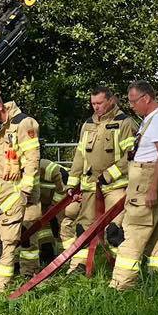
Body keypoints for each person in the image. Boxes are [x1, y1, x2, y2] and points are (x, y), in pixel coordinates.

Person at [109, 82, 158, 291]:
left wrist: (153, 188)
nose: (131, 106)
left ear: (146, 98)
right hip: (145, 180)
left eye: (133, 101)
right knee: (157, 233)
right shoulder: (152, 119)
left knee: (133, 232)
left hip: (147, 182)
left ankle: (121, 286)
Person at [62, 87, 137, 271]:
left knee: (114, 230)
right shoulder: (88, 124)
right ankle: (79, 267)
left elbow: (131, 157)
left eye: (99, 103)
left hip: (115, 187)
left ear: (111, 100)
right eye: (93, 103)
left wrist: (108, 175)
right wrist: (72, 183)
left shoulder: (125, 123)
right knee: (82, 229)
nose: (95, 107)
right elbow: (80, 155)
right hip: (89, 188)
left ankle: (124, 270)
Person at [0, 91, 41, 276]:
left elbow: (32, 159)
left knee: (27, 232)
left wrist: (27, 189)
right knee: (4, 229)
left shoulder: (24, 123)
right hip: (4, 188)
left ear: (0, 107)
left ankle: (29, 272)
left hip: (23, 187)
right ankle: (8, 266)